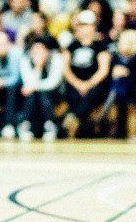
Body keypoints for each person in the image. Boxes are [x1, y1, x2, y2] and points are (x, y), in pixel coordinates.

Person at [60, 9, 111, 138]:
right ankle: (73, 122)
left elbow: (103, 70)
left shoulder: (100, 46)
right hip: (75, 84)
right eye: (81, 25)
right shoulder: (72, 46)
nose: (83, 29)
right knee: (72, 95)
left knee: (92, 95)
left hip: (94, 84)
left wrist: (88, 84)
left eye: (86, 25)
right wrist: (78, 84)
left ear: (93, 27)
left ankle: (73, 119)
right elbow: (66, 69)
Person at [17, 37, 63, 140]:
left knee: (42, 93)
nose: (38, 55)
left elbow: (53, 83)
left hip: (54, 94)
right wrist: (38, 68)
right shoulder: (25, 59)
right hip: (32, 96)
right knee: (32, 94)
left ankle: (49, 124)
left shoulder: (56, 58)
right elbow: (27, 82)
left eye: (41, 51)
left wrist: (34, 86)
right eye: (35, 52)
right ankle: (25, 124)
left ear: (47, 51)